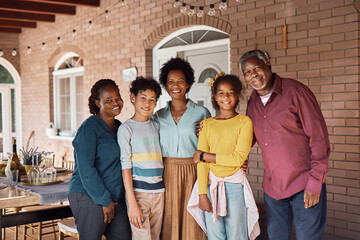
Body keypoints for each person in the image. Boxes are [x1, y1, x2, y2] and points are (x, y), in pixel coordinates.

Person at [239, 49, 330, 240]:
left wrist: (315, 183)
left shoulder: (296, 91)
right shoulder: (253, 102)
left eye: (257, 68)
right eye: (247, 72)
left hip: (304, 184)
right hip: (273, 188)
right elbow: (247, 137)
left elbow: (319, 138)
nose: (253, 75)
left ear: (268, 65)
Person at [191, 73, 260, 240]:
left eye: (230, 92)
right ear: (215, 97)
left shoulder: (244, 122)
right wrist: (202, 194)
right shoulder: (207, 124)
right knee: (215, 235)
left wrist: (204, 155)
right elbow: (201, 164)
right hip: (210, 185)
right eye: (221, 93)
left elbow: (237, 159)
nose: (226, 97)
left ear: (236, 95)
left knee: (237, 234)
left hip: (235, 186)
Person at [154, 57, 210, 240]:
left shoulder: (201, 112)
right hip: (167, 172)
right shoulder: (158, 115)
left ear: (188, 84)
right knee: (169, 219)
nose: (175, 85)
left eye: (180, 81)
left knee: (193, 219)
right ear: (165, 85)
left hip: (194, 172)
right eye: (170, 81)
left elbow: (211, 143)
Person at [68, 79, 131, 240]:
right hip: (89, 195)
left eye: (117, 97)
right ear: (97, 103)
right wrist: (104, 201)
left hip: (116, 197)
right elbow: (86, 169)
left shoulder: (120, 127)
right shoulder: (89, 128)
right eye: (108, 100)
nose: (115, 103)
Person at [118, 77, 164, 240]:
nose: (147, 103)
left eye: (152, 100)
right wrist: (132, 203)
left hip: (160, 192)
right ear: (132, 97)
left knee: (155, 237)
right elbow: (125, 167)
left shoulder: (157, 125)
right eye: (143, 98)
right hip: (139, 193)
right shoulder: (126, 128)